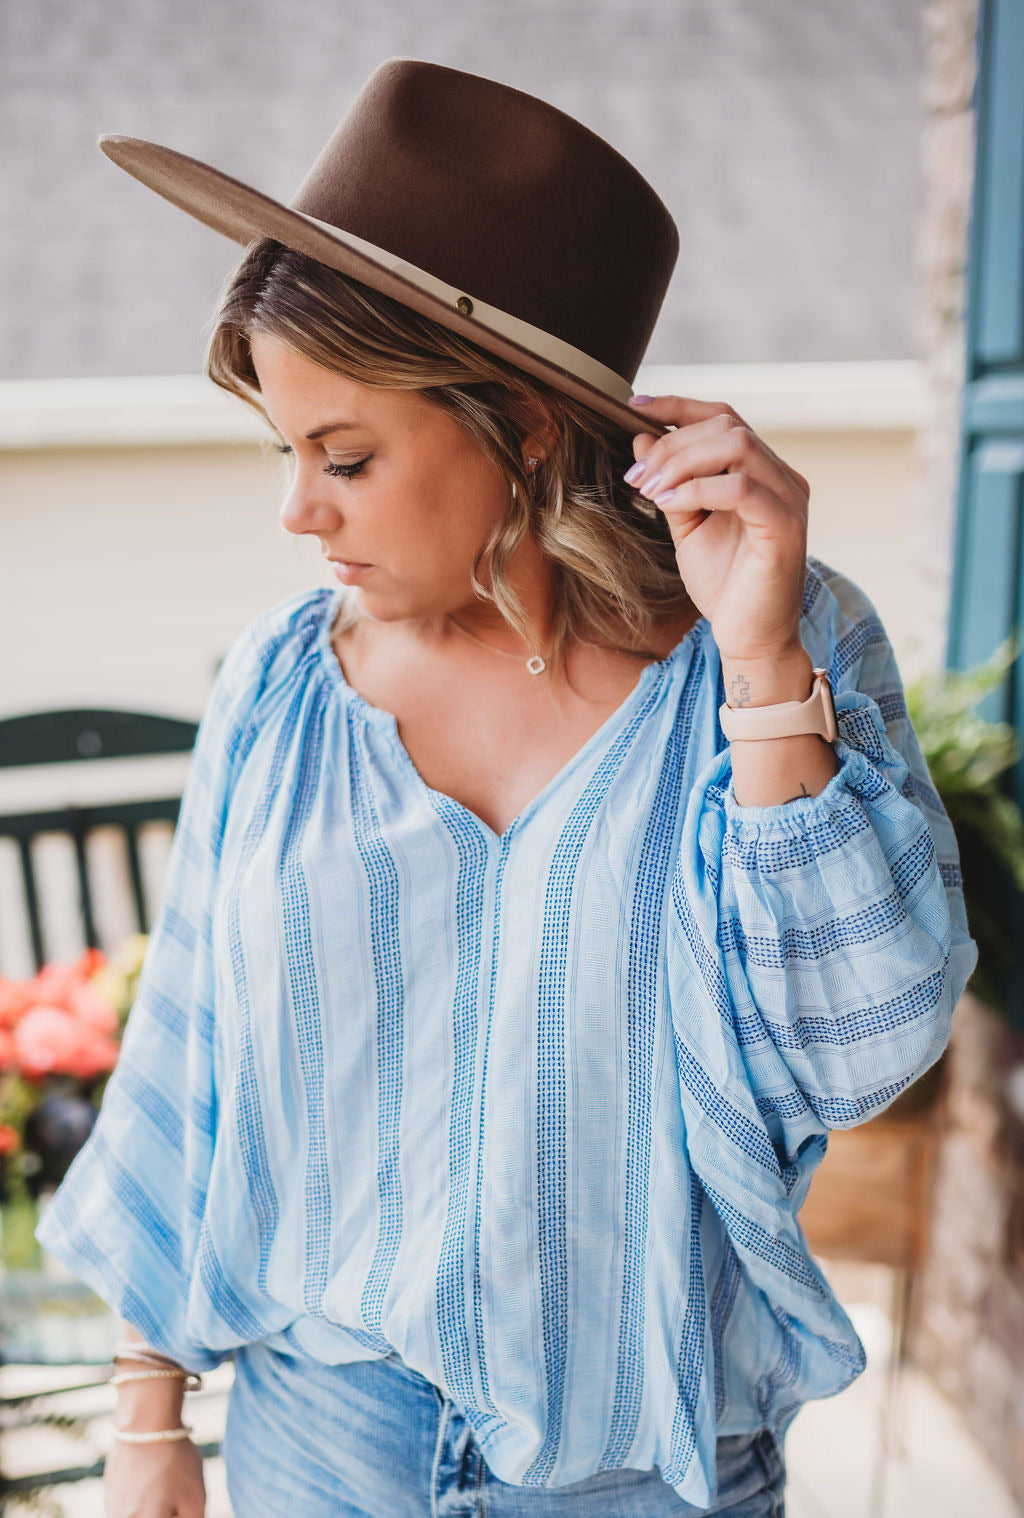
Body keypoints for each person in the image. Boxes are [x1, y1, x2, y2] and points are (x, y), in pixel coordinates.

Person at [35, 57, 978, 1518]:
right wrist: (147, 1414)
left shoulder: (776, 649)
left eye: (347, 456)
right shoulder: (283, 690)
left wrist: (761, 666)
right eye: (286, 450)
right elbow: (192, 1050)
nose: (298, 510)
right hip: (319, 1443)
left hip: (644, 1466)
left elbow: (860, 1048)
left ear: (526, 424)